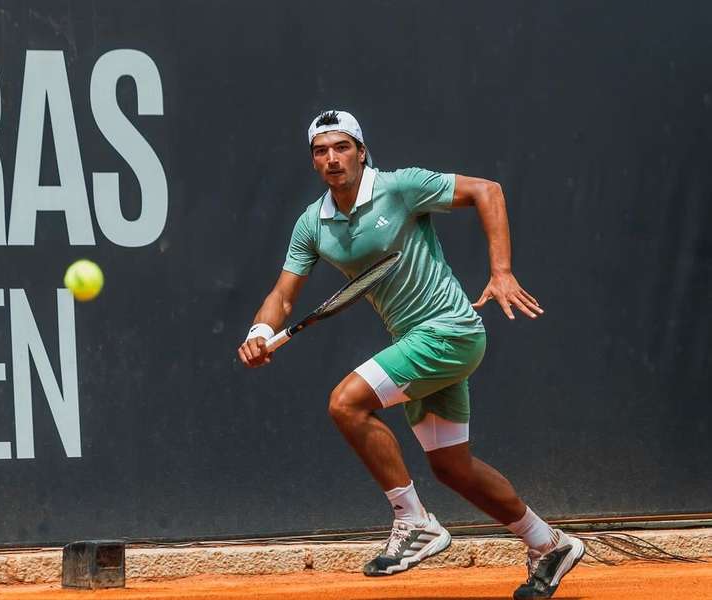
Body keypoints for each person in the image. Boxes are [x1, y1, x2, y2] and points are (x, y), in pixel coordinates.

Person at [236, 110, 584, 599]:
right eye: (321, 151)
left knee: (346, 403)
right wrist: (259, 330)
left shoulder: (400, 187)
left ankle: (413, 521)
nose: (332, 159)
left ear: (361, 151)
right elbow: (284, 295)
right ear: (313, 161)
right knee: (452, 468)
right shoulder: (312, 224)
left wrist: (501, 271)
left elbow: (489, 191)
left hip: (450, 330)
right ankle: (547, 544)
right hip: (416, 341)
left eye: (341, 147)